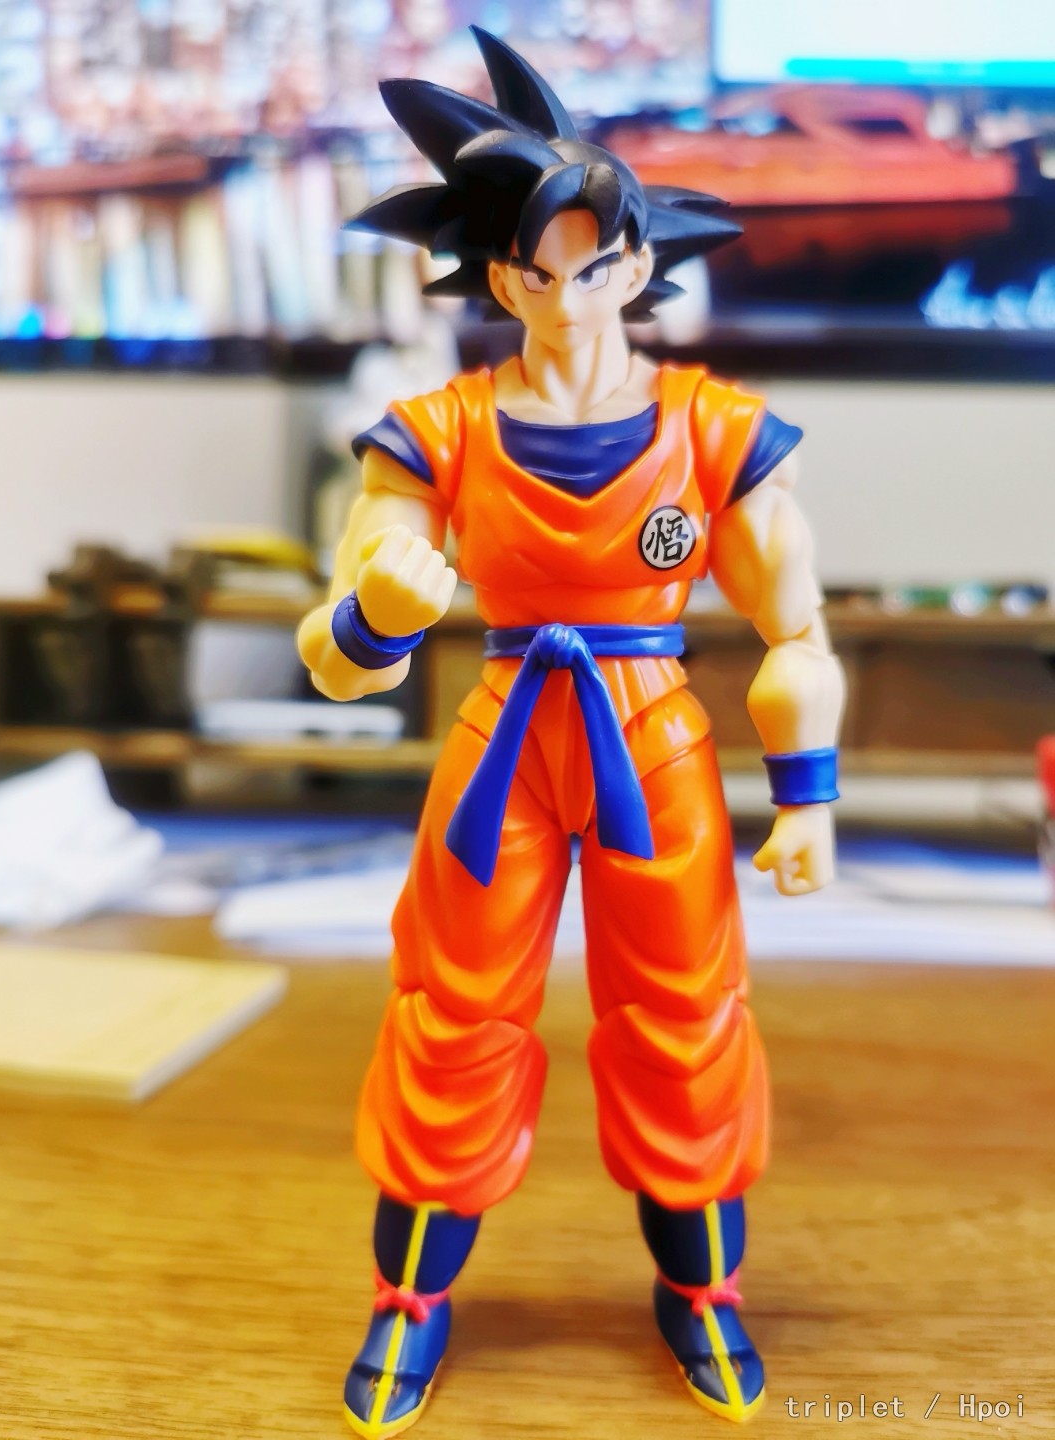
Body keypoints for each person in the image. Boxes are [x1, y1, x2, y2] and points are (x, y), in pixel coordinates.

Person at [297, 28, 845, 1437]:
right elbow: (334, 658)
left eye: (591, 267)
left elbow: (795, 632)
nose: (565, 295)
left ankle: (702, 1291)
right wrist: (375, 616)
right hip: (503, 746)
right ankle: (409, 1299)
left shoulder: (712, 430)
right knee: (452, 1014)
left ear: (636, 263)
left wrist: (808, 796)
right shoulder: (436, 430)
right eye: (534, 272)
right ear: (499, 279)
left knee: (684, 1018)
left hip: (651, 739)